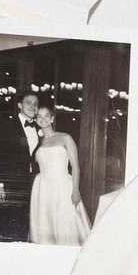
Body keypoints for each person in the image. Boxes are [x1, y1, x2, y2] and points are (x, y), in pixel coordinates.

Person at [27, 104, 90, 246]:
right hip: (43, 188)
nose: (43, 119)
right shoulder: (38, 142)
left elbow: (75, 167)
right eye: (39, 116)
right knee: (46, 223)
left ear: (52, 118)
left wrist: (75, 190)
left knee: (66, 222)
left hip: (62, 185)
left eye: (46, 115)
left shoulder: (65, 137)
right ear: (36, 120)